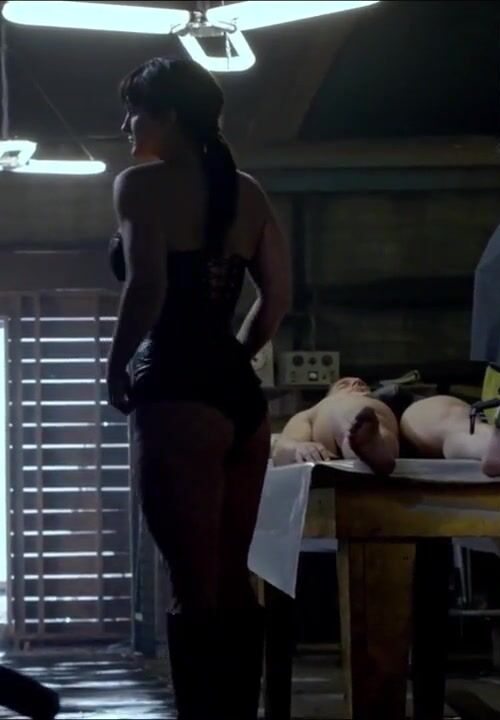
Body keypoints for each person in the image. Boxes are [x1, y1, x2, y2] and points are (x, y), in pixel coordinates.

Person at [105, 57, 291, 718]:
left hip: (176, 390)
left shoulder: (139, 187)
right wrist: (234, 357)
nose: (127, 125)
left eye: (135, 111)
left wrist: (115, 365)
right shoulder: (249, 192)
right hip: (239, 400)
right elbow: (278, 298)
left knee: (193, 587)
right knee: (234, 578)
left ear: (169, 117)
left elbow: (147, 286)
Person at [272, 378, 500, 477]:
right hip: (365, 422)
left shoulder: (392, 399)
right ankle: (372, 445)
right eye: (344, 383)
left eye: (361, 383)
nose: (355, 383)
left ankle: (489, 445)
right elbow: (282, 447)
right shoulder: (316, 411)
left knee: (448, 419)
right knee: (349, 408)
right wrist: (297, 449)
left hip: (406, 416)